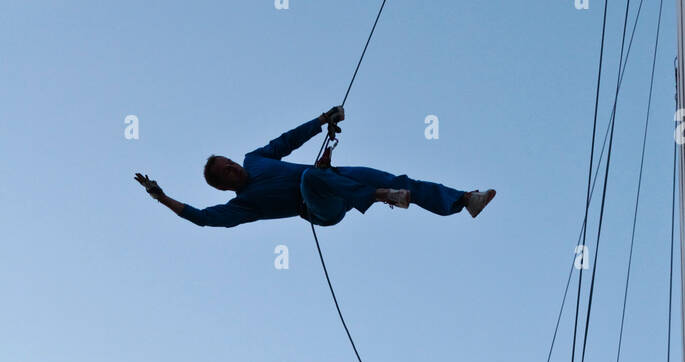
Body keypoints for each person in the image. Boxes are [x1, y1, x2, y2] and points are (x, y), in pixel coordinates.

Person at [135, 107, 495, 230]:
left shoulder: (255, 159)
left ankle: (463, 200)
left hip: (333, 180)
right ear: (224, 186)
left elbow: (287, 140)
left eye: (228, 161)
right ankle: (381, 196)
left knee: (397, 179)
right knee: (309, 177)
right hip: (322, 209)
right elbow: (201, 219)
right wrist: (161, 197)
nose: (232, 166)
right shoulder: (242, 206)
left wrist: (323, 119)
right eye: (225, 171)